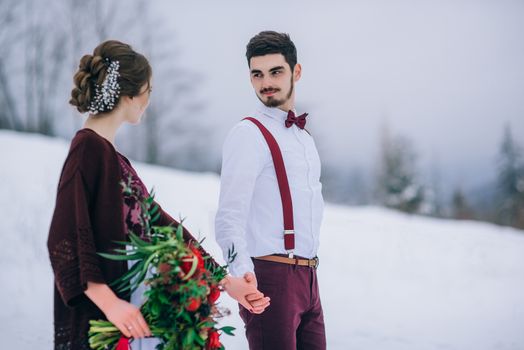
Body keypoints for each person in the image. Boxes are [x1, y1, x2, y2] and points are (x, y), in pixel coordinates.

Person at [47, 40, 269, 350]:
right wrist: (110, 304)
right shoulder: (88, 150)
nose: (148, 100)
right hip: (103, 321)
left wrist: (226, 282)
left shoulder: (114, 159)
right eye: (148, 91)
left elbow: (163, 227)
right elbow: (64, 237)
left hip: (129, 320)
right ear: (130, 96)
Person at [215, 31, 327, 349]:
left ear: (296, 72)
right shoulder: (247, 133)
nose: (266, 82)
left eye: (276, 71)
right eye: (257, 74)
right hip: (269, 277)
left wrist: (308, 278)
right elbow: (229, 215)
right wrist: (243, 274)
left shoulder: (305, 139)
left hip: (308, 277)